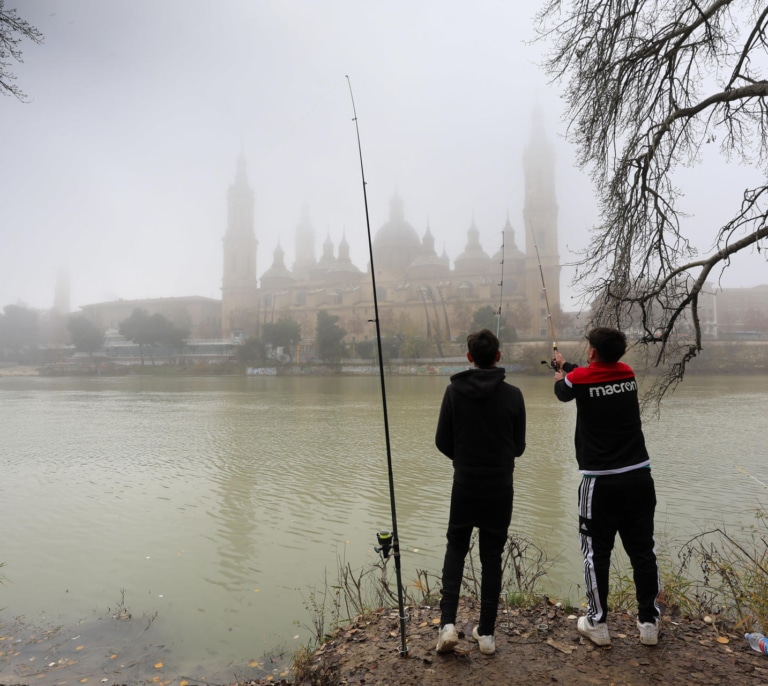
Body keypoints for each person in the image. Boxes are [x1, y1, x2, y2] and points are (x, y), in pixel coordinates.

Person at [553, 327, 661, 647]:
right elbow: (588, 376)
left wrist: (560, 373)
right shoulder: (626, 373)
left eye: (588, 347)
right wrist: (568, 366)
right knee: (643, 552)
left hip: (599, 484)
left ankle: (598, 624)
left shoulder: (580, 380)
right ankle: (649, 623)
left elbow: (564, 391)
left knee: (595, 554)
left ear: (592, 352)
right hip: (640, 478)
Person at [434, 328, 526, 655]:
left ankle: (447, 624)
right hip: (500, 487)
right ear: (498, 356)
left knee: (456, 548)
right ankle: (486, 634)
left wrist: (464, 460)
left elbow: (442, 441)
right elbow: (519, 447)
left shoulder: (453, 391)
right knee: (491, 556)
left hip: (466, 484)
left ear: (469, 357)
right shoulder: (514, 395)